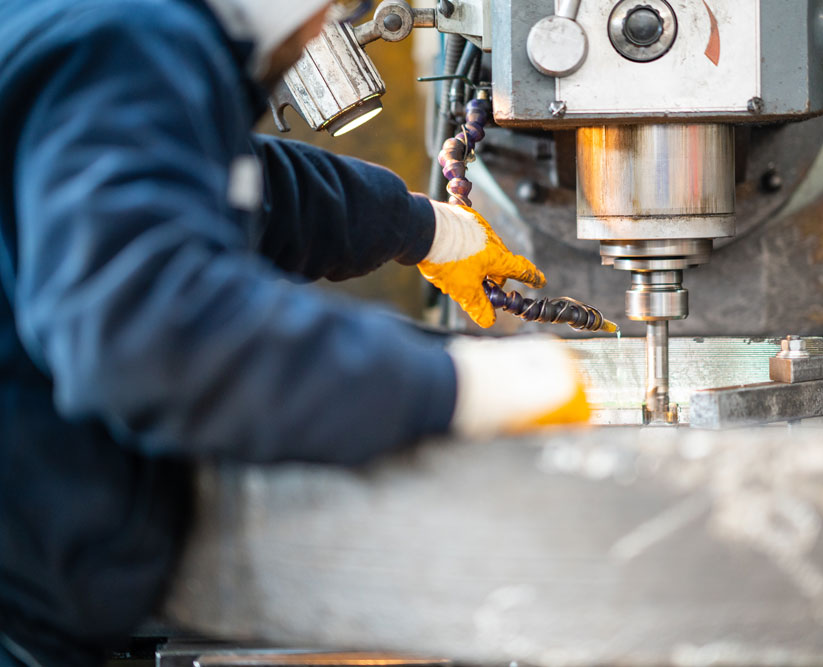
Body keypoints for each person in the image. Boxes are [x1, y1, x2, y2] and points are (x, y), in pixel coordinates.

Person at [0, 0, 590, 663]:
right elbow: (154, 340)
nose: (329, 25)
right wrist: (457, 386)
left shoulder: (100, 27)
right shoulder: (128, 40)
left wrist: (427, 228)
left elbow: (225, 182)